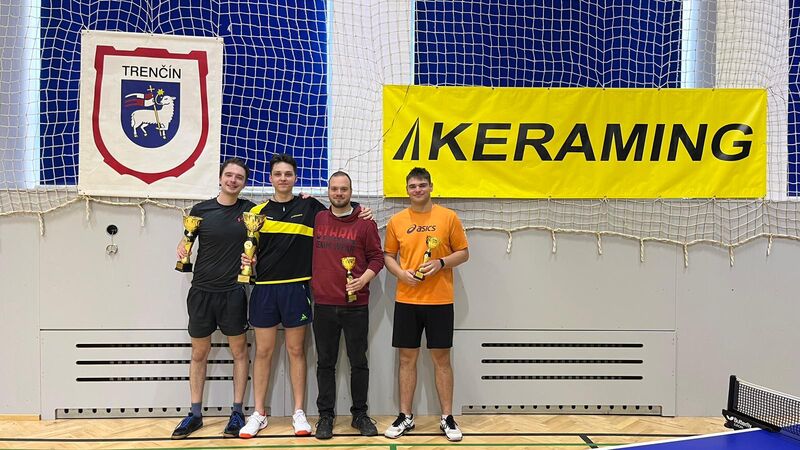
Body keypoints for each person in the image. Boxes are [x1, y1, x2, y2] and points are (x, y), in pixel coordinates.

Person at [238, 154, 371, 438]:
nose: (283, 178)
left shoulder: (310, 207)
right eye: (278, 174)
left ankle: (299, 412)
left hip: (297, 288)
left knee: (296, 351)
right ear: (270, 178)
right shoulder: (257, 212)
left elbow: (341, 210)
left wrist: (363, 209)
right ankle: (259, 413)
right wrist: (249, 260)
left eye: (288, 174)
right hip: (264, 289)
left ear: (295, 178)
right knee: (263, 352)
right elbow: (250, 249)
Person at [382, 167, 469, 442]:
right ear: (407, 190)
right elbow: (388, 256)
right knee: (406, 359)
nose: (417, 190)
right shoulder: (397, 221)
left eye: (422, 185)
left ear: (431, 186)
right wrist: (400, 273)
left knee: (441, 360)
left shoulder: (448, 217)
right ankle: (406, 416)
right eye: (413, 186)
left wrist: (441, 263)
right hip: (407, 300)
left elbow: (463, 253)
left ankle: (447, 417)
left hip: (440, 300)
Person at [171, 157, 254, 439]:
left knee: (240, 352)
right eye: (229, 175)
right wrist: (182, 249)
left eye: (239, 177)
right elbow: (186, 241)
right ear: (220, 178)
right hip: (201, 292)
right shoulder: (200, 211)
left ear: (244, 183)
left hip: (233, 292)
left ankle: (237, 412)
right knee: (198, 353)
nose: (233, 180)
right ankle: (195, 414)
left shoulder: (250, 211)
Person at [310, 171, 384, 440]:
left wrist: (363, 279)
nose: (339, 193)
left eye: (344, 189)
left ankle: (360, 415)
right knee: (325, 363)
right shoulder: (318, 217)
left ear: (351, 192)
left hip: (356, 305)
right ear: (328, 191)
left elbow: (377, 258)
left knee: (358, 362)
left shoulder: (365, 222)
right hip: (324, 305)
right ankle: (325, 416)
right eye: (334, 189)